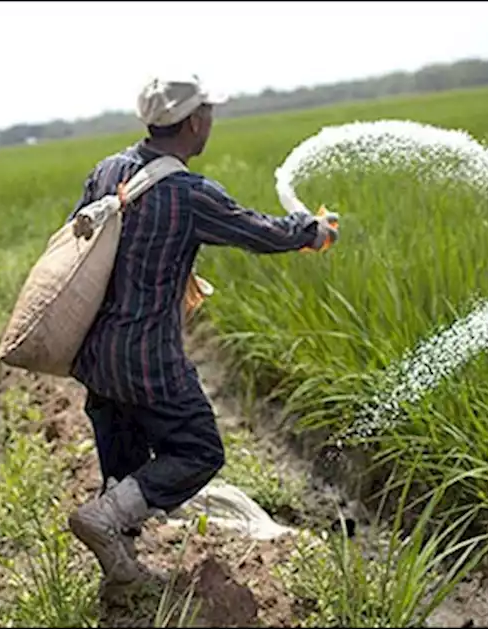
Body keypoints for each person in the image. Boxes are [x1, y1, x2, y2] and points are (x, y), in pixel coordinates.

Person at [64, 75, 339, 595]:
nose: (210, 120)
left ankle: (120, 576)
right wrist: (312, 231)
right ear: (193, 122)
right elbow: (258, 231)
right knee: (198, 451)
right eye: (208, 112)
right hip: (148, 358)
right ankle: (102, 522)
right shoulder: (188, 193)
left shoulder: (108, 172)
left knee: (125, 467)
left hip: (97, 355)